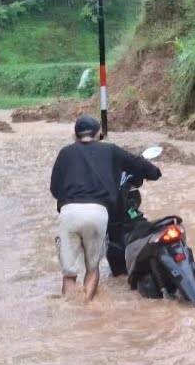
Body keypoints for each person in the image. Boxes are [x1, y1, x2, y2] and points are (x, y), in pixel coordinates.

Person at [49, 117, 161, 301]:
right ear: (98, 133)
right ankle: (86, 304)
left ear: (75, 136)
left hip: (69, 212)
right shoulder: (110, 150)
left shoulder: (65, 153)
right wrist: (155, 173)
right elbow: (138, 163)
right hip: (98, 213)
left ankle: (68, 314)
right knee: (92, 269)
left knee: (69, 274)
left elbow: (55, 189)